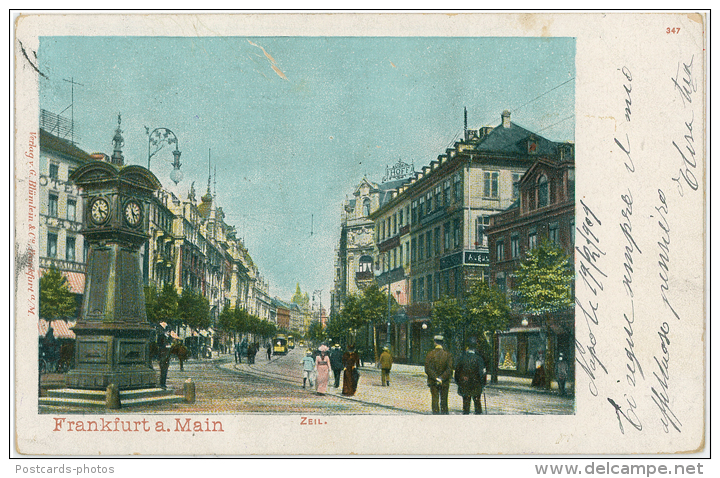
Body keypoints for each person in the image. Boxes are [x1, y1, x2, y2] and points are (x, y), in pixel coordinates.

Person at [454, 337, 488, 414]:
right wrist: (483, 383)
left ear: (467, 347)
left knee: (465, 405)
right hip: (476, 385)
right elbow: (482, 373)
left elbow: (457, 373)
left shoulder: (462, 358)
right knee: (477, 404)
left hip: (465, 385)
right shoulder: (479, 359)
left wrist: (459, 383)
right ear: (475, 347)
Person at [425, 335, 453, 414]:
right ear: (442, 343)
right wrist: (441, 378)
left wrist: (436, 378)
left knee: (435, 400)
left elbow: (427, 369)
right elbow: (449, 369)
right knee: (444, 400)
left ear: (435, 343)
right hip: (444, 382)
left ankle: (435, 416)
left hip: (433, 381)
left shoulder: (430, 354)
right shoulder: (448, 355)